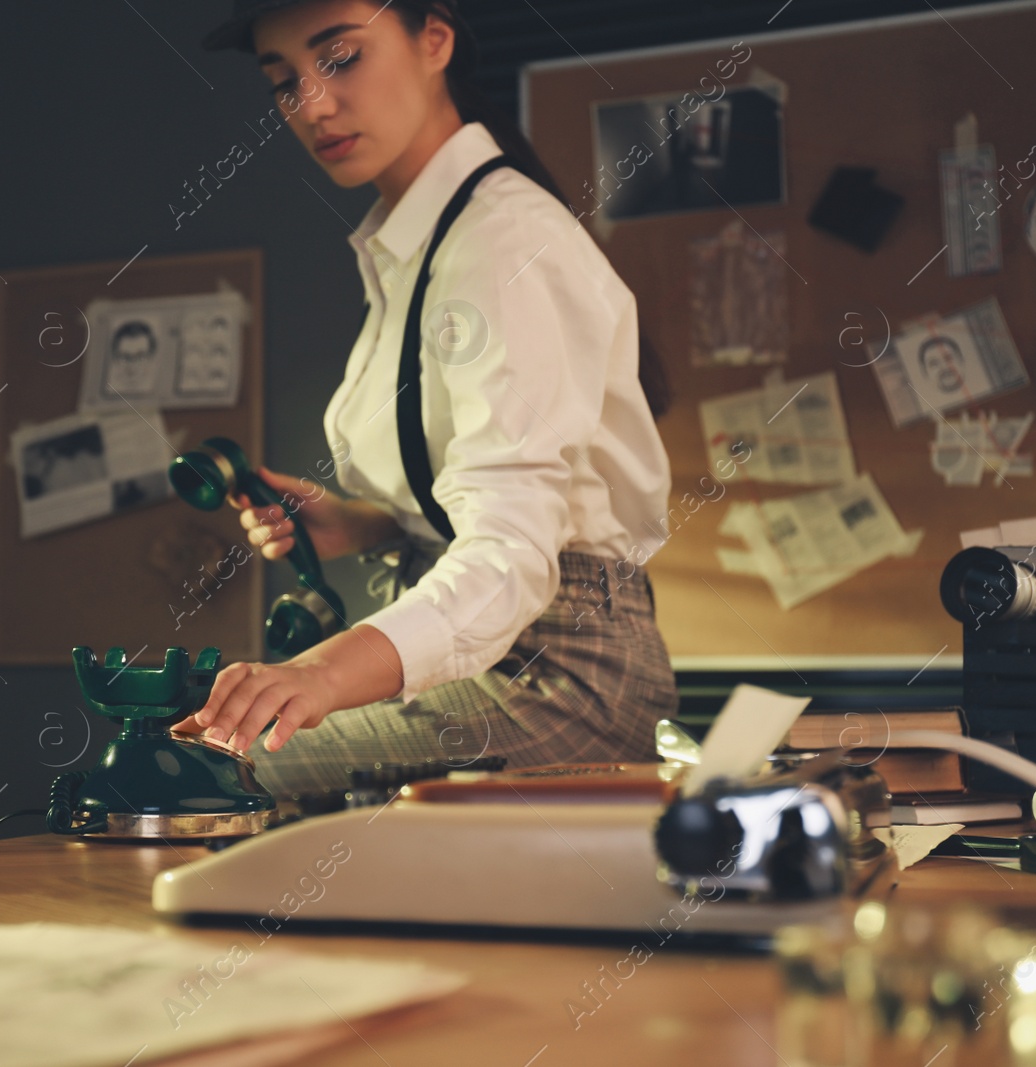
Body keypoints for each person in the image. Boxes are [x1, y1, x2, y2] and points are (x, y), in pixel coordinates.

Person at [177, 0, 681, 795]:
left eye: (340, 58)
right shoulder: (423, 239)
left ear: (435, 39)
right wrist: (363, 523)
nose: (313, 105)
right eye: (284, 83)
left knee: (201, 779)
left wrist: (319, 674)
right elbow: (492, 505)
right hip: (495, 655)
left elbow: (514, 557)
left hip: (557, 676)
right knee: (189, 767)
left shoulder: (503, 241)